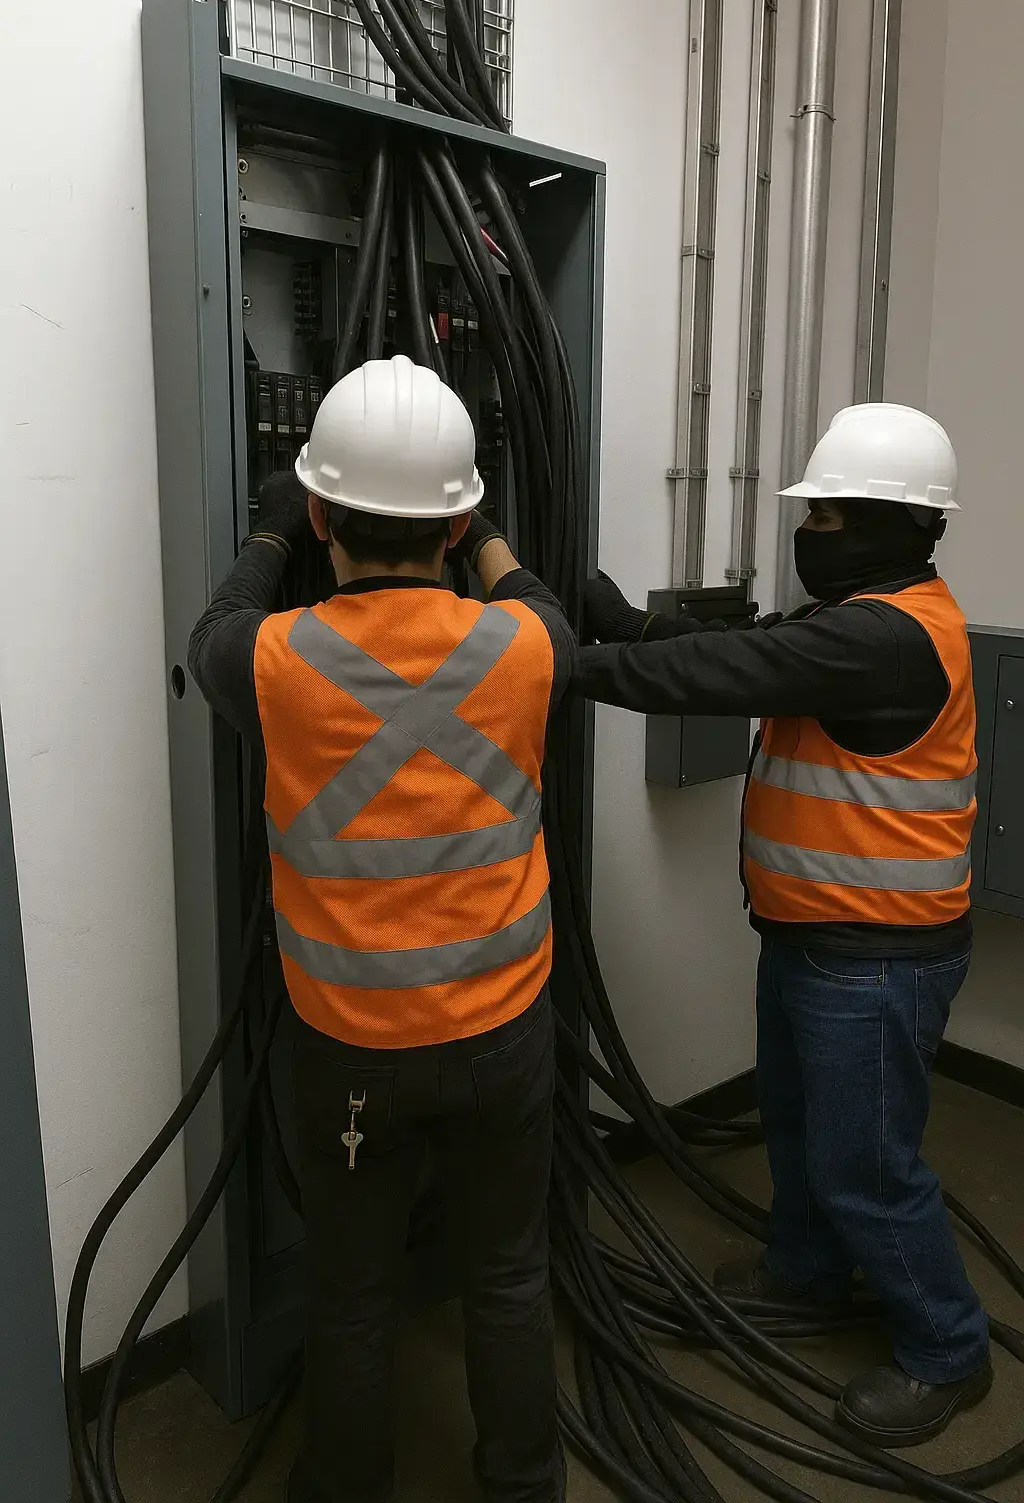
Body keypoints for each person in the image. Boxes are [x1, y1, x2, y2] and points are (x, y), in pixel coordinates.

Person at [188, 355, 573, 1503]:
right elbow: (536, 596)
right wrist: (489, 527)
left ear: (318, 513)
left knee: (352, 1292)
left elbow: (218, 622)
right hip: (504, 1037)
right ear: (455, 528)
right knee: (508, 1275)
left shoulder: (270, 663)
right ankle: (524, 1485)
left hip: (349, 1048)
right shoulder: (528, 649)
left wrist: (267, 536)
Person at [574, 403, 991, 1448]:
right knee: (802, 1131)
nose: (813, 534)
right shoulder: (865, 613)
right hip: (820, 937)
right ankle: (804, 1275)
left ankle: (947, 1351)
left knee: (867, 1163)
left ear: (904, 526)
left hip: (877, 956)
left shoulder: (882, 636)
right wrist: (617, 620)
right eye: (817, 515)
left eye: (834, 518)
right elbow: (728, 646)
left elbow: (714, 676)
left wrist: (553, 659)